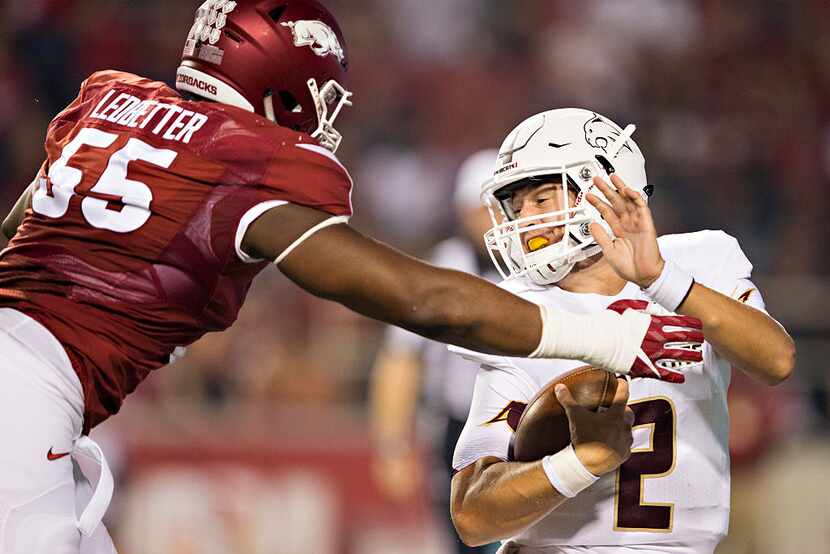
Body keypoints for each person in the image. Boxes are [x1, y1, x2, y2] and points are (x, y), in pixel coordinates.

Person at [0, 1, 702, 552]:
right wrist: (606, 338)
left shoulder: (107, 105)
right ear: (278, 82)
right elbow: (425, 300)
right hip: (27, 394)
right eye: (318, 91)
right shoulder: (247, 160)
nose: (323, 112)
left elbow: (17, 239)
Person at [448, 108, 796, 554]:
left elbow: (776, 360)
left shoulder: (698, 262)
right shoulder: (522, 311)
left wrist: (661, 280)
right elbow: (472, 516)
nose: (524, 220)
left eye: (541, 198)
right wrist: (580, 461)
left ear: (608, 186)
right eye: (515, 206)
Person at [369, 149, 501, 554]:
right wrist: (392, 443)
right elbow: (400, 358)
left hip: (529, 422)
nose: (491, 218)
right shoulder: (445, 268)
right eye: (481, 208)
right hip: (459, 427)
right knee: (467, 539)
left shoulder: (540, 266)